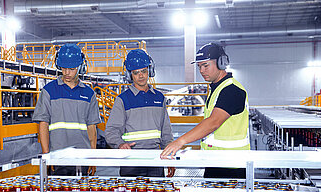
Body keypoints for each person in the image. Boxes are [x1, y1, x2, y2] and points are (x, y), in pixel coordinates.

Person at [161, 43, 250, 178]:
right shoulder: (215, 89)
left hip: (232, 165)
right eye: (199, 66)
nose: (202, 70)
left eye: (206, 65)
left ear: (221, 63)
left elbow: (213, 122)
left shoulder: (232, 90)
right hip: (215, 161)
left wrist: (180, 141)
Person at [32, 43, 101, 175]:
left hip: (83, 156)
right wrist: (46, 155)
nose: (67, 73)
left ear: (81, 67)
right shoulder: (48, 91)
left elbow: (92, 128)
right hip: (57, 157)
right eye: (64, 68)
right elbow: (43, 124)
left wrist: (93, 157)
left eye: (72, 69)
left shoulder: (89, 94)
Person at [106, 49, 174, 177]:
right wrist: (120, 144)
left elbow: (166, 131)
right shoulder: (123, 100)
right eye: (136, 73)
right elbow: (111, 130)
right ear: (129, 75)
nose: (141, 76)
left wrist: (170, 156)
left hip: (155, 158)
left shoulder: (159, 98)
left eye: (144, 71)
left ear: (150, 70)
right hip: (131, 160)